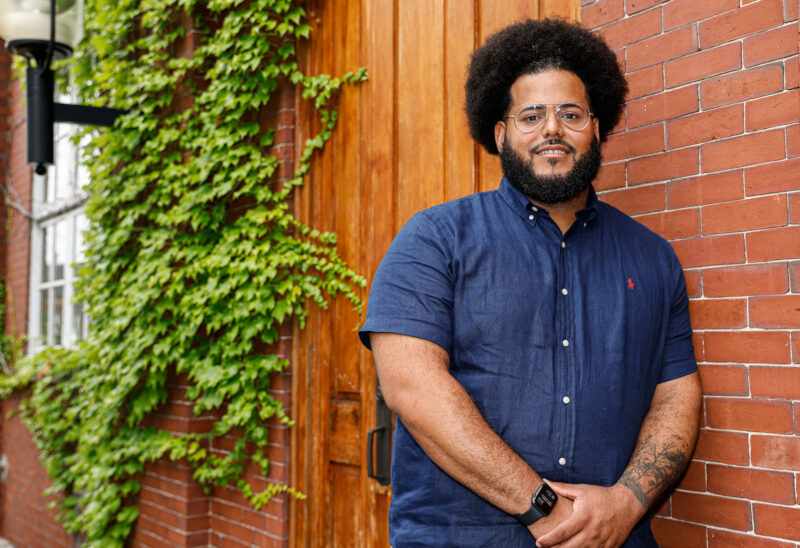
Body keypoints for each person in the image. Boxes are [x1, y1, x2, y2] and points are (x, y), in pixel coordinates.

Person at [358, 18, 702, 548]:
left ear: (596, 128)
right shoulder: (433, 240)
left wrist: (628, 501)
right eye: (531, 115)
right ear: (500, 134)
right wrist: (541, 506)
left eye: (571, 114)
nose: (552, 130)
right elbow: (412, 385)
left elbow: (676, 394)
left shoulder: (653, 259)